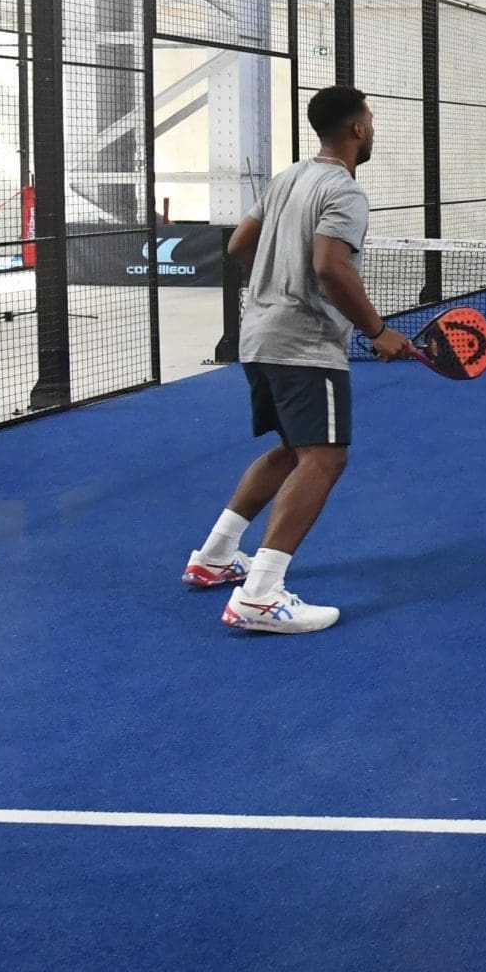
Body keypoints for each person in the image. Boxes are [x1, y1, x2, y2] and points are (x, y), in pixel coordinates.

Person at [181, 84, 410, 633]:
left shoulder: (286, 178)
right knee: (326, 458)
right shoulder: (344, 191)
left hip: (259, 337)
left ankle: (214, 558)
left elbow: (240, 245)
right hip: (304, 344)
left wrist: (277, 282)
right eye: (370, 121)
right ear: (356, 129)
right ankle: (260, 595)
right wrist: (376, 331)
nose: (372, 129)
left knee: (291, 449)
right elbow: (333, 267)